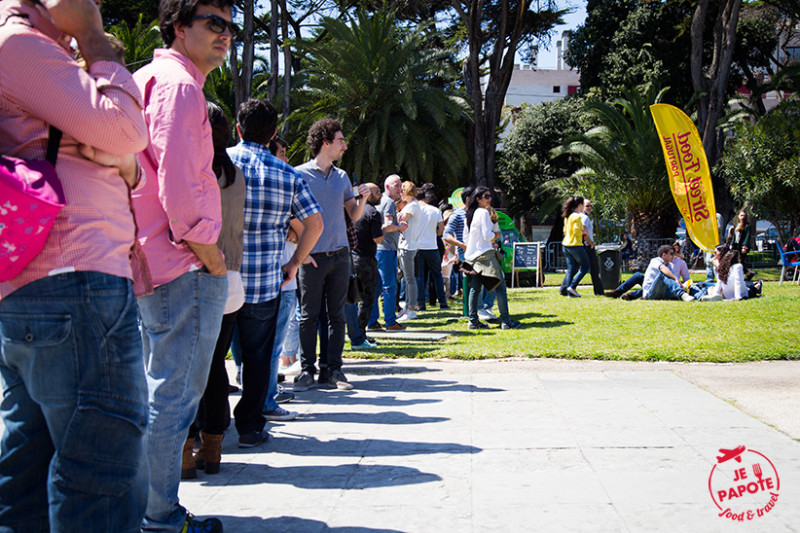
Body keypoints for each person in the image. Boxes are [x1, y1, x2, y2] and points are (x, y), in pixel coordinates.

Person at [0, 0, 149, 530]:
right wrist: (93, 36)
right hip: (74, 281)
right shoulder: (20, 45)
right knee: (101, 469)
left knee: (28, 471)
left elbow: (130, 160)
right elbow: (127, 133)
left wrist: (126, 160)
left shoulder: (35, 50)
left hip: (46, 285)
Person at [131, 1, 236, 530]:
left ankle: (144, 509)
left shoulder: (144, 78)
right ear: (179, 26)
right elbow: (176, 180)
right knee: (173, 398)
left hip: (149, 259)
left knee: (155, 391)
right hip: (182, 262)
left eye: (231, 26)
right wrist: (210, 255)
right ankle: (159, 517)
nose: (226, 35)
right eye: (213, 23)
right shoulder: (179, 86)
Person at [228, 99, 323, 442]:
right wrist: (294, 263)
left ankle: (209, 429)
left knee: (210, 358)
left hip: (219, 276)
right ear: (273, 135)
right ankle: (250, 426)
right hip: (264, 281)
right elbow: (315, 223)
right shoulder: (287, 173)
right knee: (257, 358)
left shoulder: (219, 161)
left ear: (239, 128)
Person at [184, 102, 245, 480]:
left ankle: (187, 450)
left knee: (186, 369)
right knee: (214, 366)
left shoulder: (196, 173)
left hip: (198, 274)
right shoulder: (233, 175)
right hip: (233, 281)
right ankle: (213, 446)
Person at [294, 119, 369, 392]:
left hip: (339, 255)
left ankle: (334, 370)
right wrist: (300, 254)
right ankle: (306, 370)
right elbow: (290, 217)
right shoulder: (298, 174)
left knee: (337, 315)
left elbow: (353, 215)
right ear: (325, 142)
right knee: (308, 316)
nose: (345, 145)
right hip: (311, 257)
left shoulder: (342, 177)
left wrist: (361, 199)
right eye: (340, 140)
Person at [463, 187, 521, 330]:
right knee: (500, 287)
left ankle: (473, 321)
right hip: (485, 256)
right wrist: (496, 235)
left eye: (490, 196)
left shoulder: (473, 213)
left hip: (473, 256)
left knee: (475, 289)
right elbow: (488, 236)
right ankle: (506, 321)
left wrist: (494, 222)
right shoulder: (482, 212)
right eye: (486, 196)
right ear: (478, 199)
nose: (490, 199)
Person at [367, 175, 407, 332]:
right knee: (390, 286)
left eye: (401, 186)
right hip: (387, 248)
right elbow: (388, 225)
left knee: (376, 287)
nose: (400, 189)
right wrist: (399, 227)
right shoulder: (389, 202)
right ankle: (390, 321)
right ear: (387, 186)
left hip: (376, 248)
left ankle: (372, 320)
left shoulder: (378, 202)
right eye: (397, 185)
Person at [347, 183, 384, 349]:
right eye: (377, 192)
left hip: (349, 259)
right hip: (366, 260)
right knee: (367, 298)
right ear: (367, 194)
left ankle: (354, 333)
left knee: (350, 298)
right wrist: (386, 230)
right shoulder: (373, 213)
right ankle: (359, 335)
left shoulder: (350, 210)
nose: (380, 195)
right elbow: (377, 239)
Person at [416, 191, 449, 310]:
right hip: (432, 246)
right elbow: (441, 231)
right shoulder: (435, 210)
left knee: (419, 277)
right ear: (425, 198)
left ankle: (421, 304)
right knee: (437, 275)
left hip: (418, 247)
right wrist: (432, 233)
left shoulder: (413, 210)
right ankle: (443, 302)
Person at [396, 181, 424, 321]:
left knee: (409, 279)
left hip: (408, 246)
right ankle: (407, 307)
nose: (400, 193)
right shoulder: (411, 205)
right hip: (407, 245)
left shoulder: (412, 206)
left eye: (401, 190)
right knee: (407, 278)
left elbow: (401, 220)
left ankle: (411, 308)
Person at [560, 196, 590, 298]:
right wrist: (584, 232)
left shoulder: (568, 216)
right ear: (580, 205)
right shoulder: (577, 216)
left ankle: (570, 293)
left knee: (571, 268)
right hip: (575, 245)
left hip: (566, 245)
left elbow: (565, 230)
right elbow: (577, 231)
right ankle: (572, 287)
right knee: (585, 266)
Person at [580, 199, 604, 295]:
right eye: (587, 206)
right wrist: (591, 244)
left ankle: (567, 287)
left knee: (576, 269)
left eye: (590, 206)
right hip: (587, 246)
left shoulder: (581, 217)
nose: (589, 208)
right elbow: (584, 233)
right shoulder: (584, 218)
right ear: (582, 206)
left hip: (583, 246)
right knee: (593, 269)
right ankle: (599, 291)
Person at [728, 209, 755, 279]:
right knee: (736, 261)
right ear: (738, 216)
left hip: (742, 247)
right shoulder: (737, 225)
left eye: (744, 216)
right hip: (736, 246)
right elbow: (734, 236)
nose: (742, 217)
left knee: (740, 261)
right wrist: (731, 244)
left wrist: (744, 247)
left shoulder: (747, 226)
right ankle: (748, 273)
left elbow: (747, 237)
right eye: (741, 215)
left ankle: (747, 273)